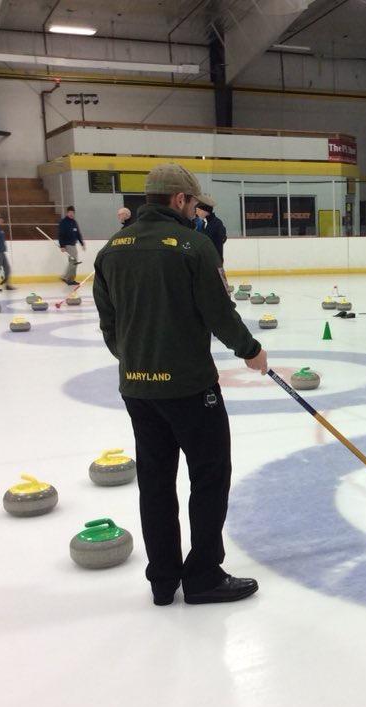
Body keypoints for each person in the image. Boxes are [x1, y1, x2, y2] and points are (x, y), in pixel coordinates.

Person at [93, 163, 268, 607]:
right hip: (191, 389)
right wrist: (250, 350)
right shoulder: (194, 246)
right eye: (193, 202)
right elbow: (219, 312)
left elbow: (108, 323)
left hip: (137, 390)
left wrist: (135, 361)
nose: (196, 211)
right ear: (178, 200)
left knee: (155, 482)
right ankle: (204, 575)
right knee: (209, 477)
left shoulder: (112, 250)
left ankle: (163, 579)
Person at [57, 206, 85, 286]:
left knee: (73, 262)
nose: (71, 214)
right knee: (73, 261)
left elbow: (78, 234)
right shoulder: (63, 222)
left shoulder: (74, 222)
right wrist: (62, 245)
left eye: (73, 213)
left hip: (73, 245)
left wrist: (82, 243)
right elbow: (60, 234)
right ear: (67, 213)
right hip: (67, 245)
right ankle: (67, 278)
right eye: (70, 213)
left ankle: (70, 279)